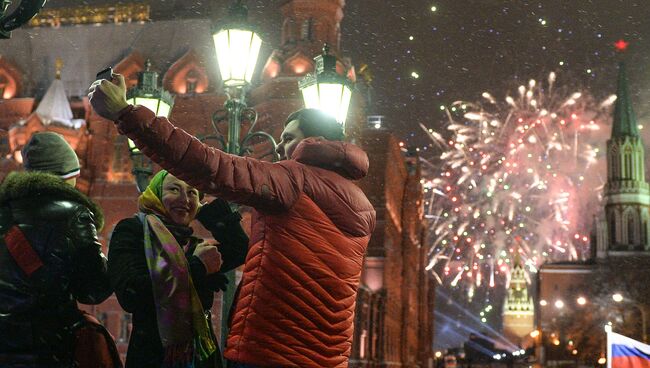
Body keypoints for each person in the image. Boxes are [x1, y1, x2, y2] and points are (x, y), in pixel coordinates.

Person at [89, 74, 376, 367]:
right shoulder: (363, 206)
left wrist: (127, 113)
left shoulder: (293, 178)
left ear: (315, 142)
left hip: (271, 347)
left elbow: (207, 165)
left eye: (288, 138)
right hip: (327, 355)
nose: (278, 148)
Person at [108, 169, 249, 368]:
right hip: (154, 357)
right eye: (174, 189)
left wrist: (206, 210)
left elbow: (240, 249)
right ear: (155, 195)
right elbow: (132, 293)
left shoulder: (192, 245)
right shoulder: (133, 231)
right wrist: (197, 268)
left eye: (192, 192)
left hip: (202, 358)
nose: (184, 198)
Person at [0, 132, 113, 367]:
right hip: (49, 348)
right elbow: (94, 290)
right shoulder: (73, 214)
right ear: (69, 174)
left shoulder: (4, 213)